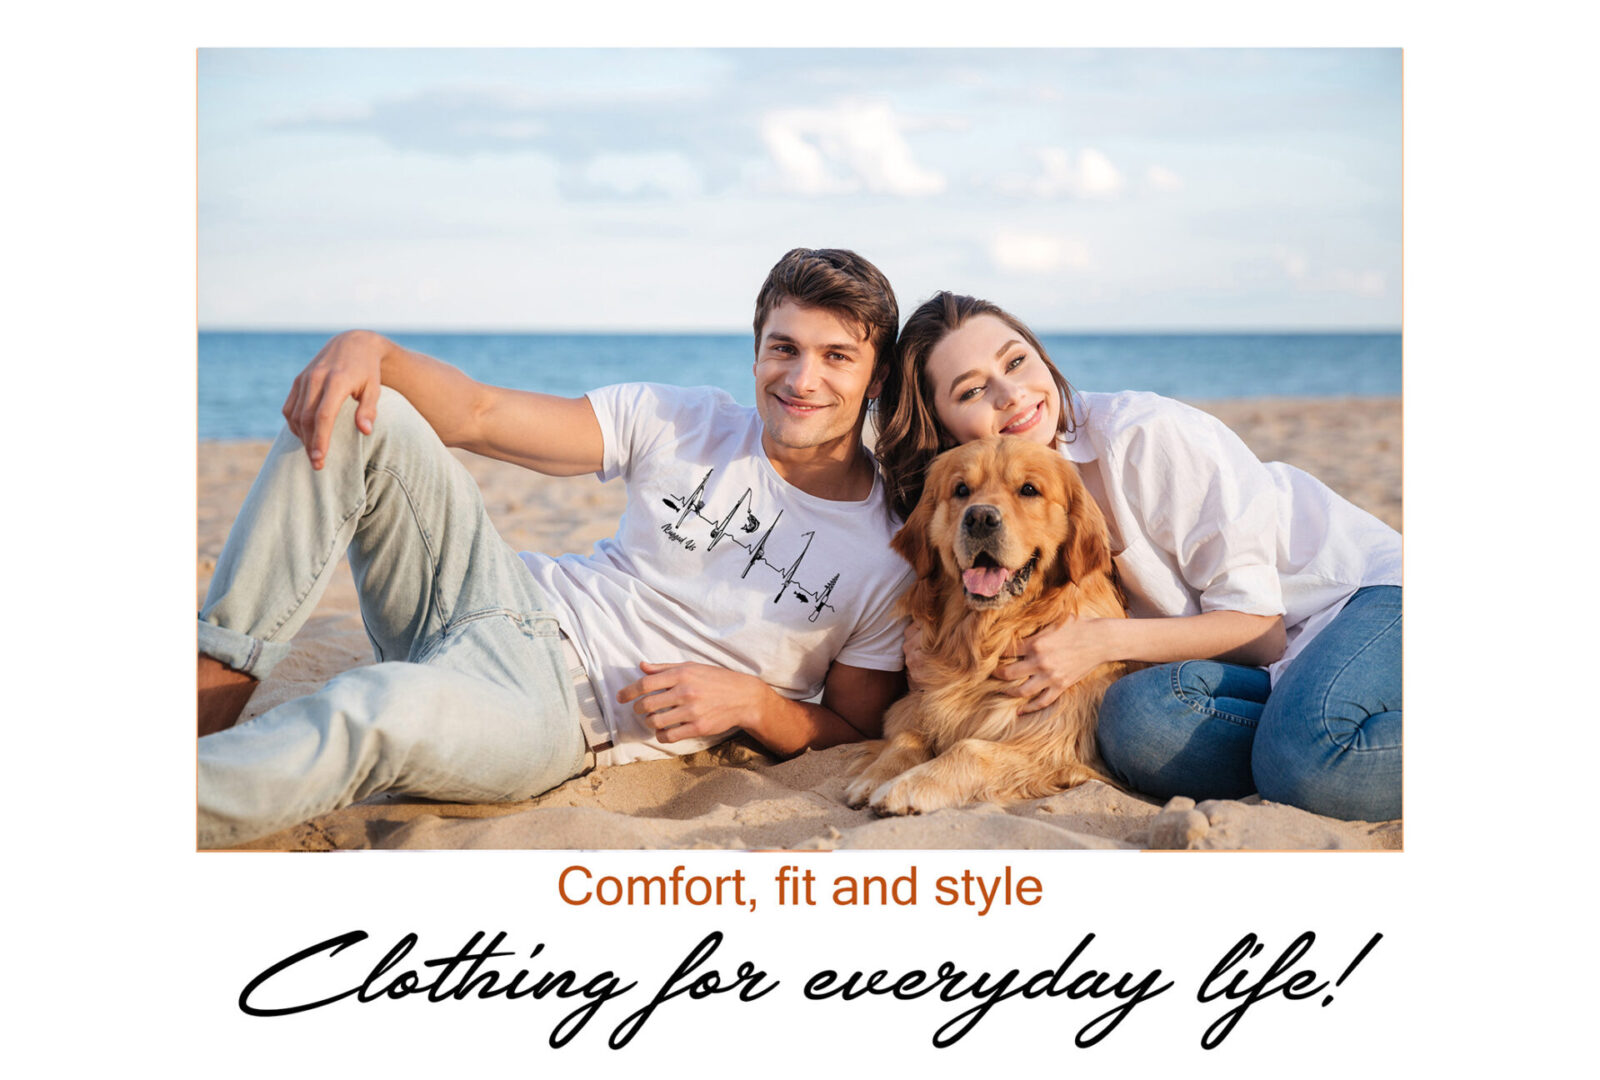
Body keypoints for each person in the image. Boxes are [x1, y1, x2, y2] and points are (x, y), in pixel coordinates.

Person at [196, 248, 913, 848]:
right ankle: (209, 695)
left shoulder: (884, 553)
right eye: (783, 348)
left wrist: (756, 704)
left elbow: (852, 727)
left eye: (836, 357)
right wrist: (370, 349)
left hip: (558, 710)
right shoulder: (682, 419)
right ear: (757, 352)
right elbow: (480, 413)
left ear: (875, 378)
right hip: (493, 592)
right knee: (354, 409)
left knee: (374, 706)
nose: (801, 378)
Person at [874, 291, 1401, 822]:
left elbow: (1261, 629)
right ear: (942, 425)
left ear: (1042, 358)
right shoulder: (966, 497)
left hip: (1351, 601)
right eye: (972, 390)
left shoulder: (1145, 435)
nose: (1011, 394)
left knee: (1312, 764)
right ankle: (1297, 740)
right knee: (1136, 723)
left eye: (1016, 361)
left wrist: (1098, 641)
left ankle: (1310, 749)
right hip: (1261, 668)